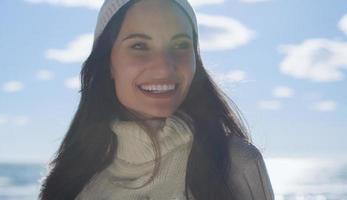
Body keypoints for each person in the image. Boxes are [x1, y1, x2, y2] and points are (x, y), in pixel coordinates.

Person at [38, 0, 275, 199]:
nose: (163, 67)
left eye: (181, 45)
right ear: (108, 62)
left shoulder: (236, 164)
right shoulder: (69, 181)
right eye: (139, 46)